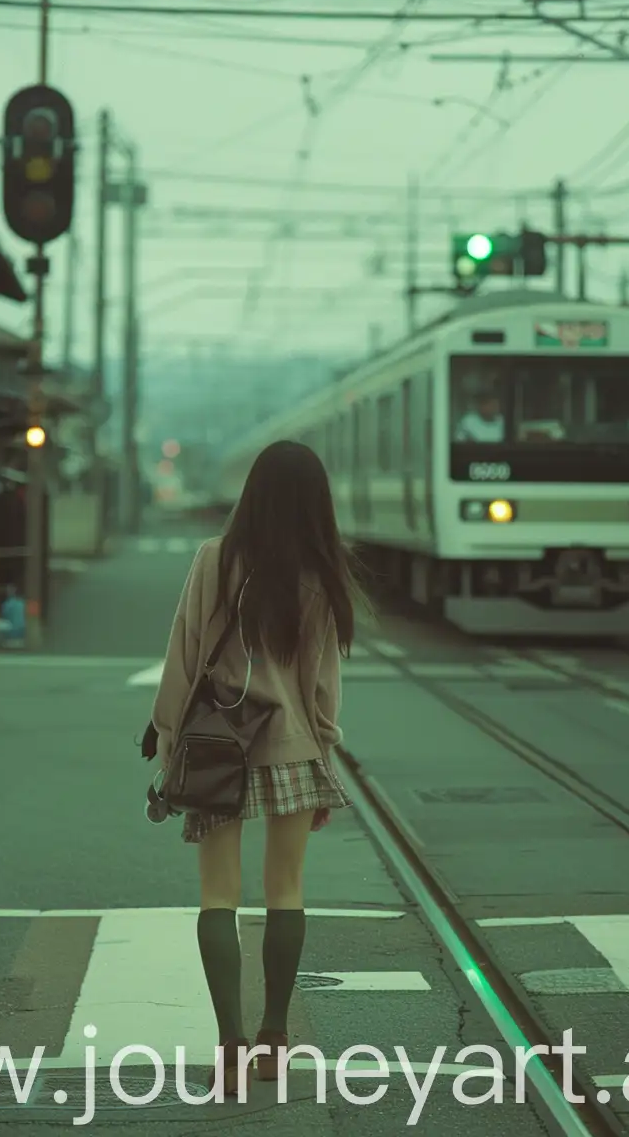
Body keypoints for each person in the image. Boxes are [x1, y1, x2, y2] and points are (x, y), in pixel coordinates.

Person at [148, 439, 358, 1099]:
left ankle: (231, 1045)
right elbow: (322, 687)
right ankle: (274, 1037)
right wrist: (326, 758)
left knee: (219, 896)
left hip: (216, 751)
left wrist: (166, 737)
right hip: (294, 749)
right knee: (285, 890)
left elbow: (183, 656)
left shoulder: (216, 559)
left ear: (252, 493)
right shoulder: (321, 575)